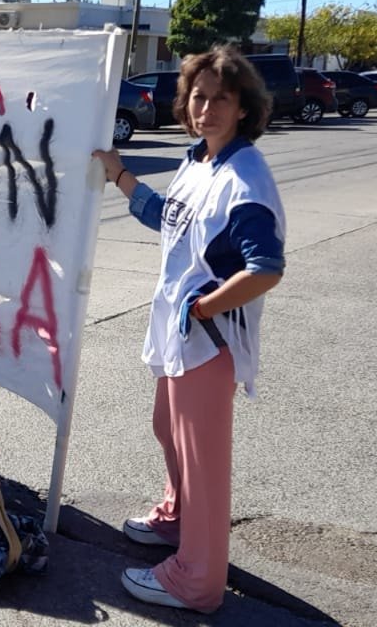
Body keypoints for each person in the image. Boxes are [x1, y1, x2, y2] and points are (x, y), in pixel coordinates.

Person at [94, 46, 286, 614]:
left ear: (244, 107)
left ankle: (196, 581)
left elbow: (265, 268)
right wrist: (120, 174)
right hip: (181, 334)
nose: (207, 108)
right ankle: (178, 520)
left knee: (202, 462)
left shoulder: (244, 178)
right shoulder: (200, 161)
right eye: (199, 97)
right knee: (168, 429)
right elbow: (169, 217)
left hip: (210, 340)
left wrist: (205, 309)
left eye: (222, 98)